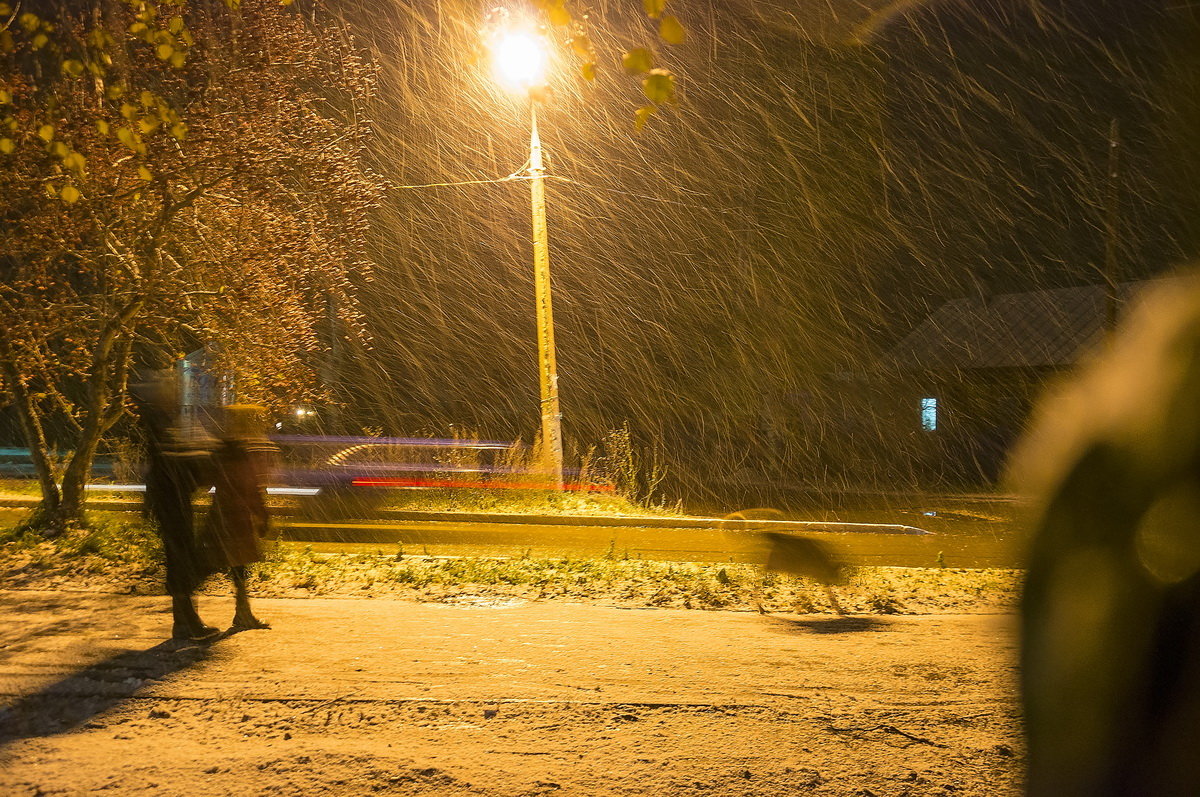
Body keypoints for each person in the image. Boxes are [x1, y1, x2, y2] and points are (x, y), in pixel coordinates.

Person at [131, 371, 219, 642]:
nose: (174, 397)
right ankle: (186, 622)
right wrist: (197, 466)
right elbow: (168, 464)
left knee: (181, 560)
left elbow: (165, 464)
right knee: (182, 561)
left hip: (172, 500)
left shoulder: (161, 422)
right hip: (173, 501)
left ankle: (185, 621)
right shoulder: (161, 423)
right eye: (169, 393)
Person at [195, 404, 276, 631]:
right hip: (235, 518)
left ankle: (238, 612)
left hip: (223, 515)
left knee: (226, 565)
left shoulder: (223, 450)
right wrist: (262, 515)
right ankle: (187, 615)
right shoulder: (238, 451)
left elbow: (205, 480)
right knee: (226, 566)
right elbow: (251, 487)